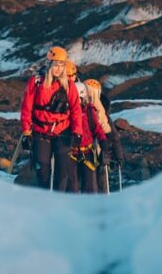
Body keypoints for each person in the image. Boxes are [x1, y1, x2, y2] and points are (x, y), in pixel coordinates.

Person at [20, 47, 83, 191]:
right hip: (41, 132)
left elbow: (76, 110)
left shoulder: (69, 85)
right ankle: (44, 200)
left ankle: (58, 202)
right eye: (56, 65)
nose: (59, 69)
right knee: (42, 170)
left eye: (62, 65)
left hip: (63, 132)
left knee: (63, 172)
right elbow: (26, 108)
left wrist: (77, 132)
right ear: (49, 65)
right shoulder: (36, 82)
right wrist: (26, 132)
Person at [70, 77, 110, 193]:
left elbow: (97, 128)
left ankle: (90, 208)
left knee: (90, 187)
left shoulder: (89, 111)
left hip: (87, 153)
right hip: (72, 154)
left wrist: (103, 142)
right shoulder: (68, 112)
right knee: (73, 186)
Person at [93, 81, 126, 194]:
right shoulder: (102, 110)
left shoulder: (102, 113)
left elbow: (113, 137)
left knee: (99, 178)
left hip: (98, 150)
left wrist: (118, 156)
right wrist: (118, 157)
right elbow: (114, 137)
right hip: (99, 150)